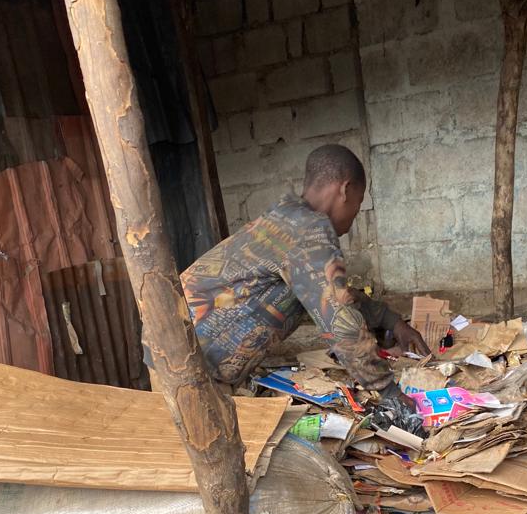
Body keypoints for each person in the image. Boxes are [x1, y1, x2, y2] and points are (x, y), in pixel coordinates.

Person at [181, 144, 428, 403]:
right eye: (359, 201)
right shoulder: (310, 228)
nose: (357, 212)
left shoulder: (289, 217)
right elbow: (343, 326)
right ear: (345, 190)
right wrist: (390, 393)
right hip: (189, 367)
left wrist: (392, 321)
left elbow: (334, 295)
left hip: (187, 353)